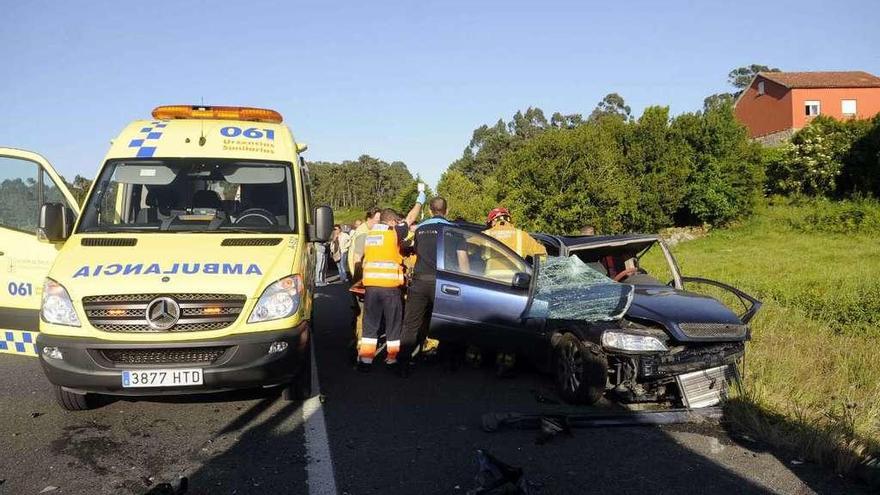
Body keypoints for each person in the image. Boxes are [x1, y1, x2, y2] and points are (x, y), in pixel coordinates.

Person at [398, 196, 464, 376]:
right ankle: (449, 364)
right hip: (445, 284)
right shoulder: (454, 230)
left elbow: (412, 250)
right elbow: (462, 261)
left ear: (429, 211)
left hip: (419, 282)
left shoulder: (420, 229)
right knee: (448, 323)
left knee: (410, 324)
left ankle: (403, 364)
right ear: (447, 211)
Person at [358, 197, 424, 370]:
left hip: (371, 286)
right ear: (393, 221)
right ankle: (392, 358)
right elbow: (410, 219)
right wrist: (419, 201)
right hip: (389, 287)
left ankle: (365, 361)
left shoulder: (371, 235)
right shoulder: (393, 232)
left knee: (370, 325)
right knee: (393, 325)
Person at [482, 207, 546, 376]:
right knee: (511, 325)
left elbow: (470, 253)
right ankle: (507, 361)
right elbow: (543, 254)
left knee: (490, 322)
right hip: (516, 287)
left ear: (492, 221)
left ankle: (477, 357)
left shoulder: (486, 235)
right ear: (509, 219)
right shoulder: (521, 235)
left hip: (492, 286)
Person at [482, 207, 547, 260]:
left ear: (493, 222)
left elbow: (471, 250)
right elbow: (542, 256)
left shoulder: (484, 235)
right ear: (509, 220)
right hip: (518, 276)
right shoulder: (522, 235)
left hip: (490, 276)